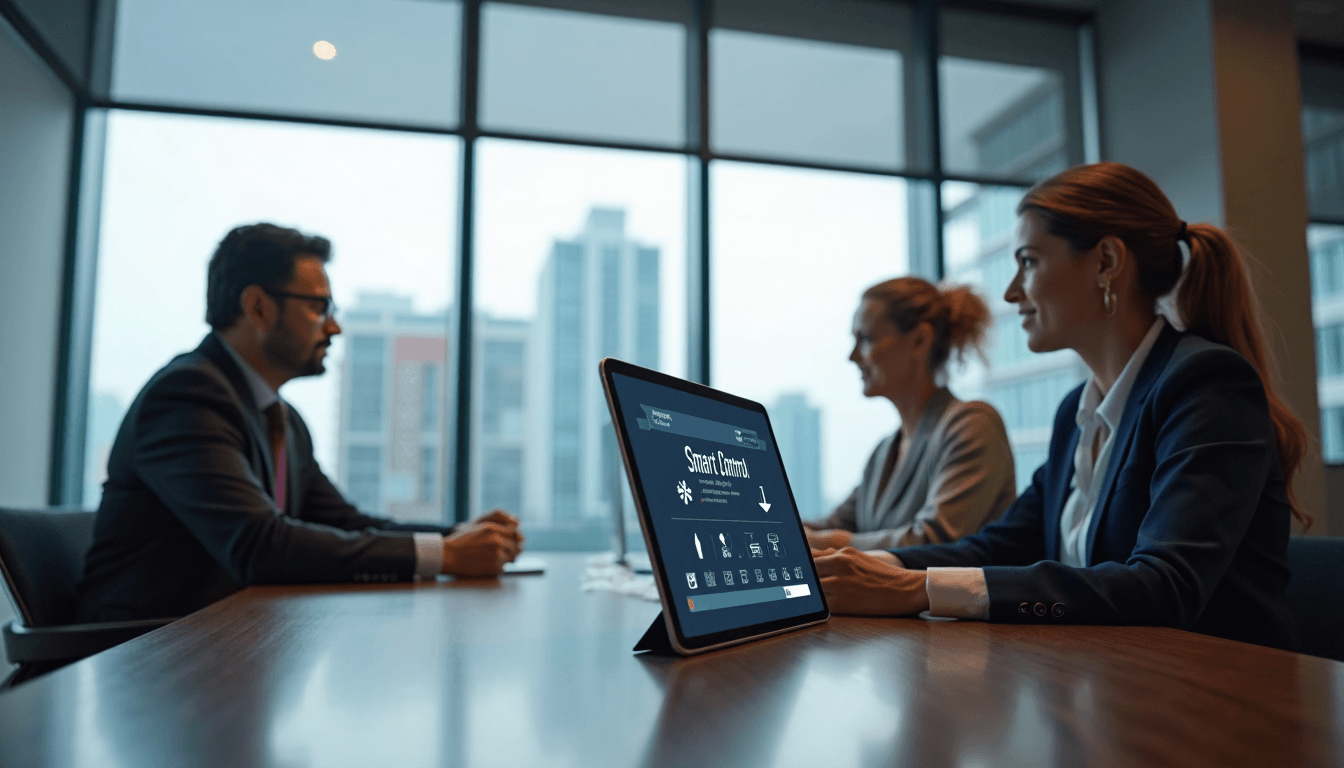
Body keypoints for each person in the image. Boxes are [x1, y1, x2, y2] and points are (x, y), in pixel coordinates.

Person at [814, 162, 1308, 651]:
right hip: (1112, 676)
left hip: (1222, 686)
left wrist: (916, 588)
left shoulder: (1205, 383)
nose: (1011, 291)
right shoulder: (1077, 412)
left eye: (1028, 262)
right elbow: (1002, 544)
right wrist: (877, 566)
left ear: (1106, 262)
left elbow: (1165, 585)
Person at [75, 224, 524, 622]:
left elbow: (345, 523)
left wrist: (461, 537)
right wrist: (445, 555)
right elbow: (259, 545)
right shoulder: (186, 396)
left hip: (230, 642)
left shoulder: (284, 419)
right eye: (319, 307)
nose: (334, 328)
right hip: (141, 653)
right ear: (258, 307)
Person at [805, 277, 1016, 550]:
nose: (853, 356)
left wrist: (829, 542)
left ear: (919, 340)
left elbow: (931, 540)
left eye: (866, 339)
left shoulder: (972, 425)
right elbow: (834, 524)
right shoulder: (884, 452)